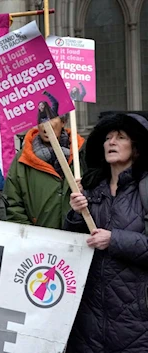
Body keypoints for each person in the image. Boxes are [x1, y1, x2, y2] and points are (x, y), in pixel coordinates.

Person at [65, 113, 148, 352]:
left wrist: (115, 240)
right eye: (108, 138)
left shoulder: (144, 191)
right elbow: (74, 245)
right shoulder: (91, 191)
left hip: (135, 322)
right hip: (89, 320)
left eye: (121, 137)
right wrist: (75, 214)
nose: (111, 142)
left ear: (137, 148)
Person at [4, 112, 85, 229]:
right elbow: (13, 205)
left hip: (78, 240)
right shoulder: (23, 159)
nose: (46, 125)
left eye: (52, 118)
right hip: (38, 242)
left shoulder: (81, 155)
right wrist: (33, 236)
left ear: (63, 122)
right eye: (41, 119)